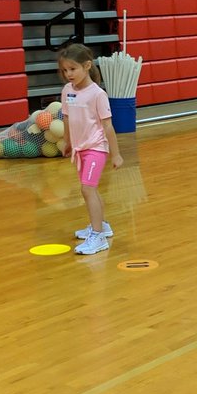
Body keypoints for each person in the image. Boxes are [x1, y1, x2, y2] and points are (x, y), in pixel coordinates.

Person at [60, 43, 124, 253]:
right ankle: (102, 226)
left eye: (73, 69)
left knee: (87, 189)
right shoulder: (67, 91)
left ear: (87, 66)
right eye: (65, 70)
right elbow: (68, 119)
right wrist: (68, 142)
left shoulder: (97, 94)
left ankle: (98, 237)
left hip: (96, 148)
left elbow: (107, 125)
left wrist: (116, 154)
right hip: (80, 150)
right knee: (91, 189)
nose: (68, 74)